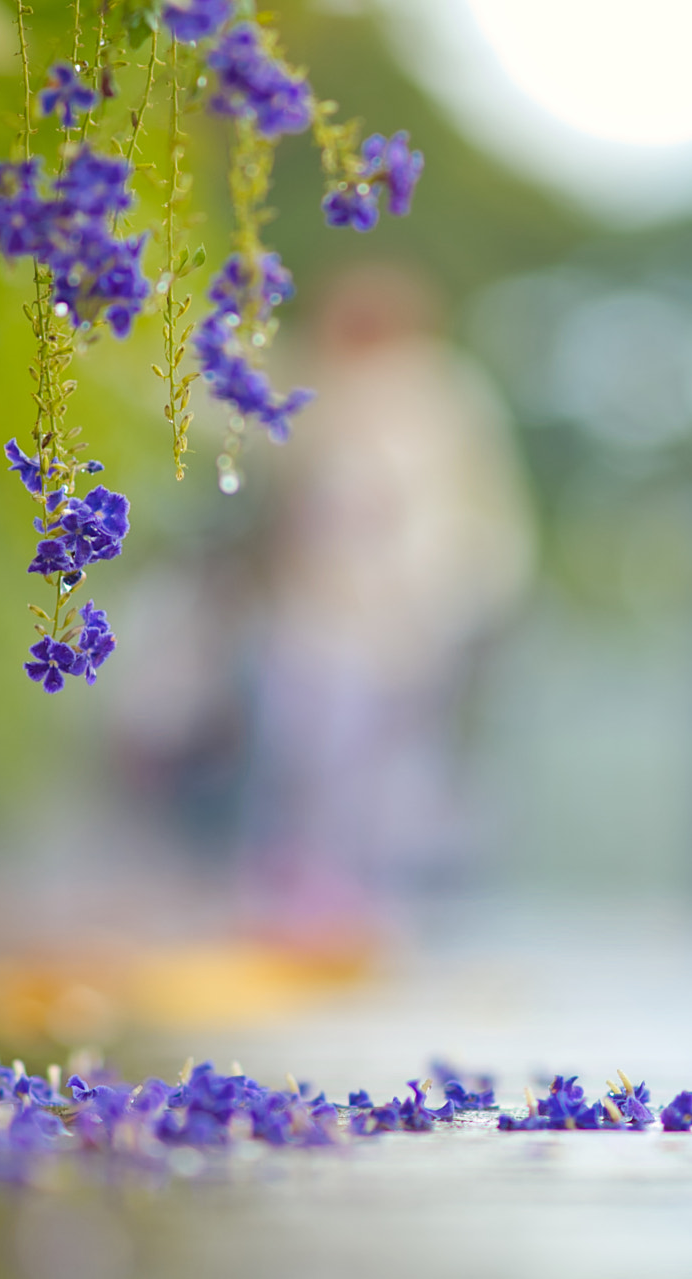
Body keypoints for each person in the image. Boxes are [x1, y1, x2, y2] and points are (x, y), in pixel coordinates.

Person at [238, 262, 535, 944]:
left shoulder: (433, 391)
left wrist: (441, 598)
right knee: (323, 764)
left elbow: (439, 520)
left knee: (380, 772)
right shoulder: (323, 384)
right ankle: (323, 902)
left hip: (406, 612)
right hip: (333, 616)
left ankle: (365, 907)